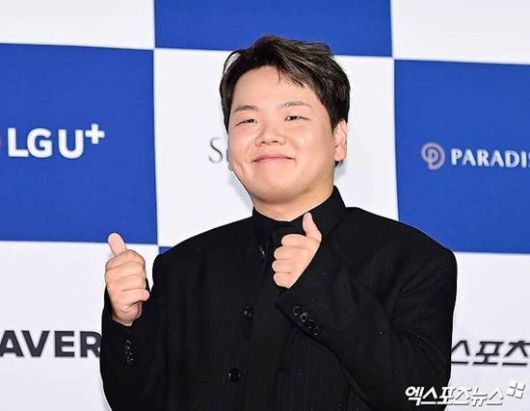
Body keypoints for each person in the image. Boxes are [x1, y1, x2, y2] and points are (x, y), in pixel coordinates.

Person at [100, 35, 457, 411]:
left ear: (339, 139)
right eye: (248, 120)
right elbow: (136, 402)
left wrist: (323, 288)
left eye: (293, 117)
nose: (268, 135)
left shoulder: (414, 261)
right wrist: (127, 322)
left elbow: (422, 398)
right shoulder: (183, 268)